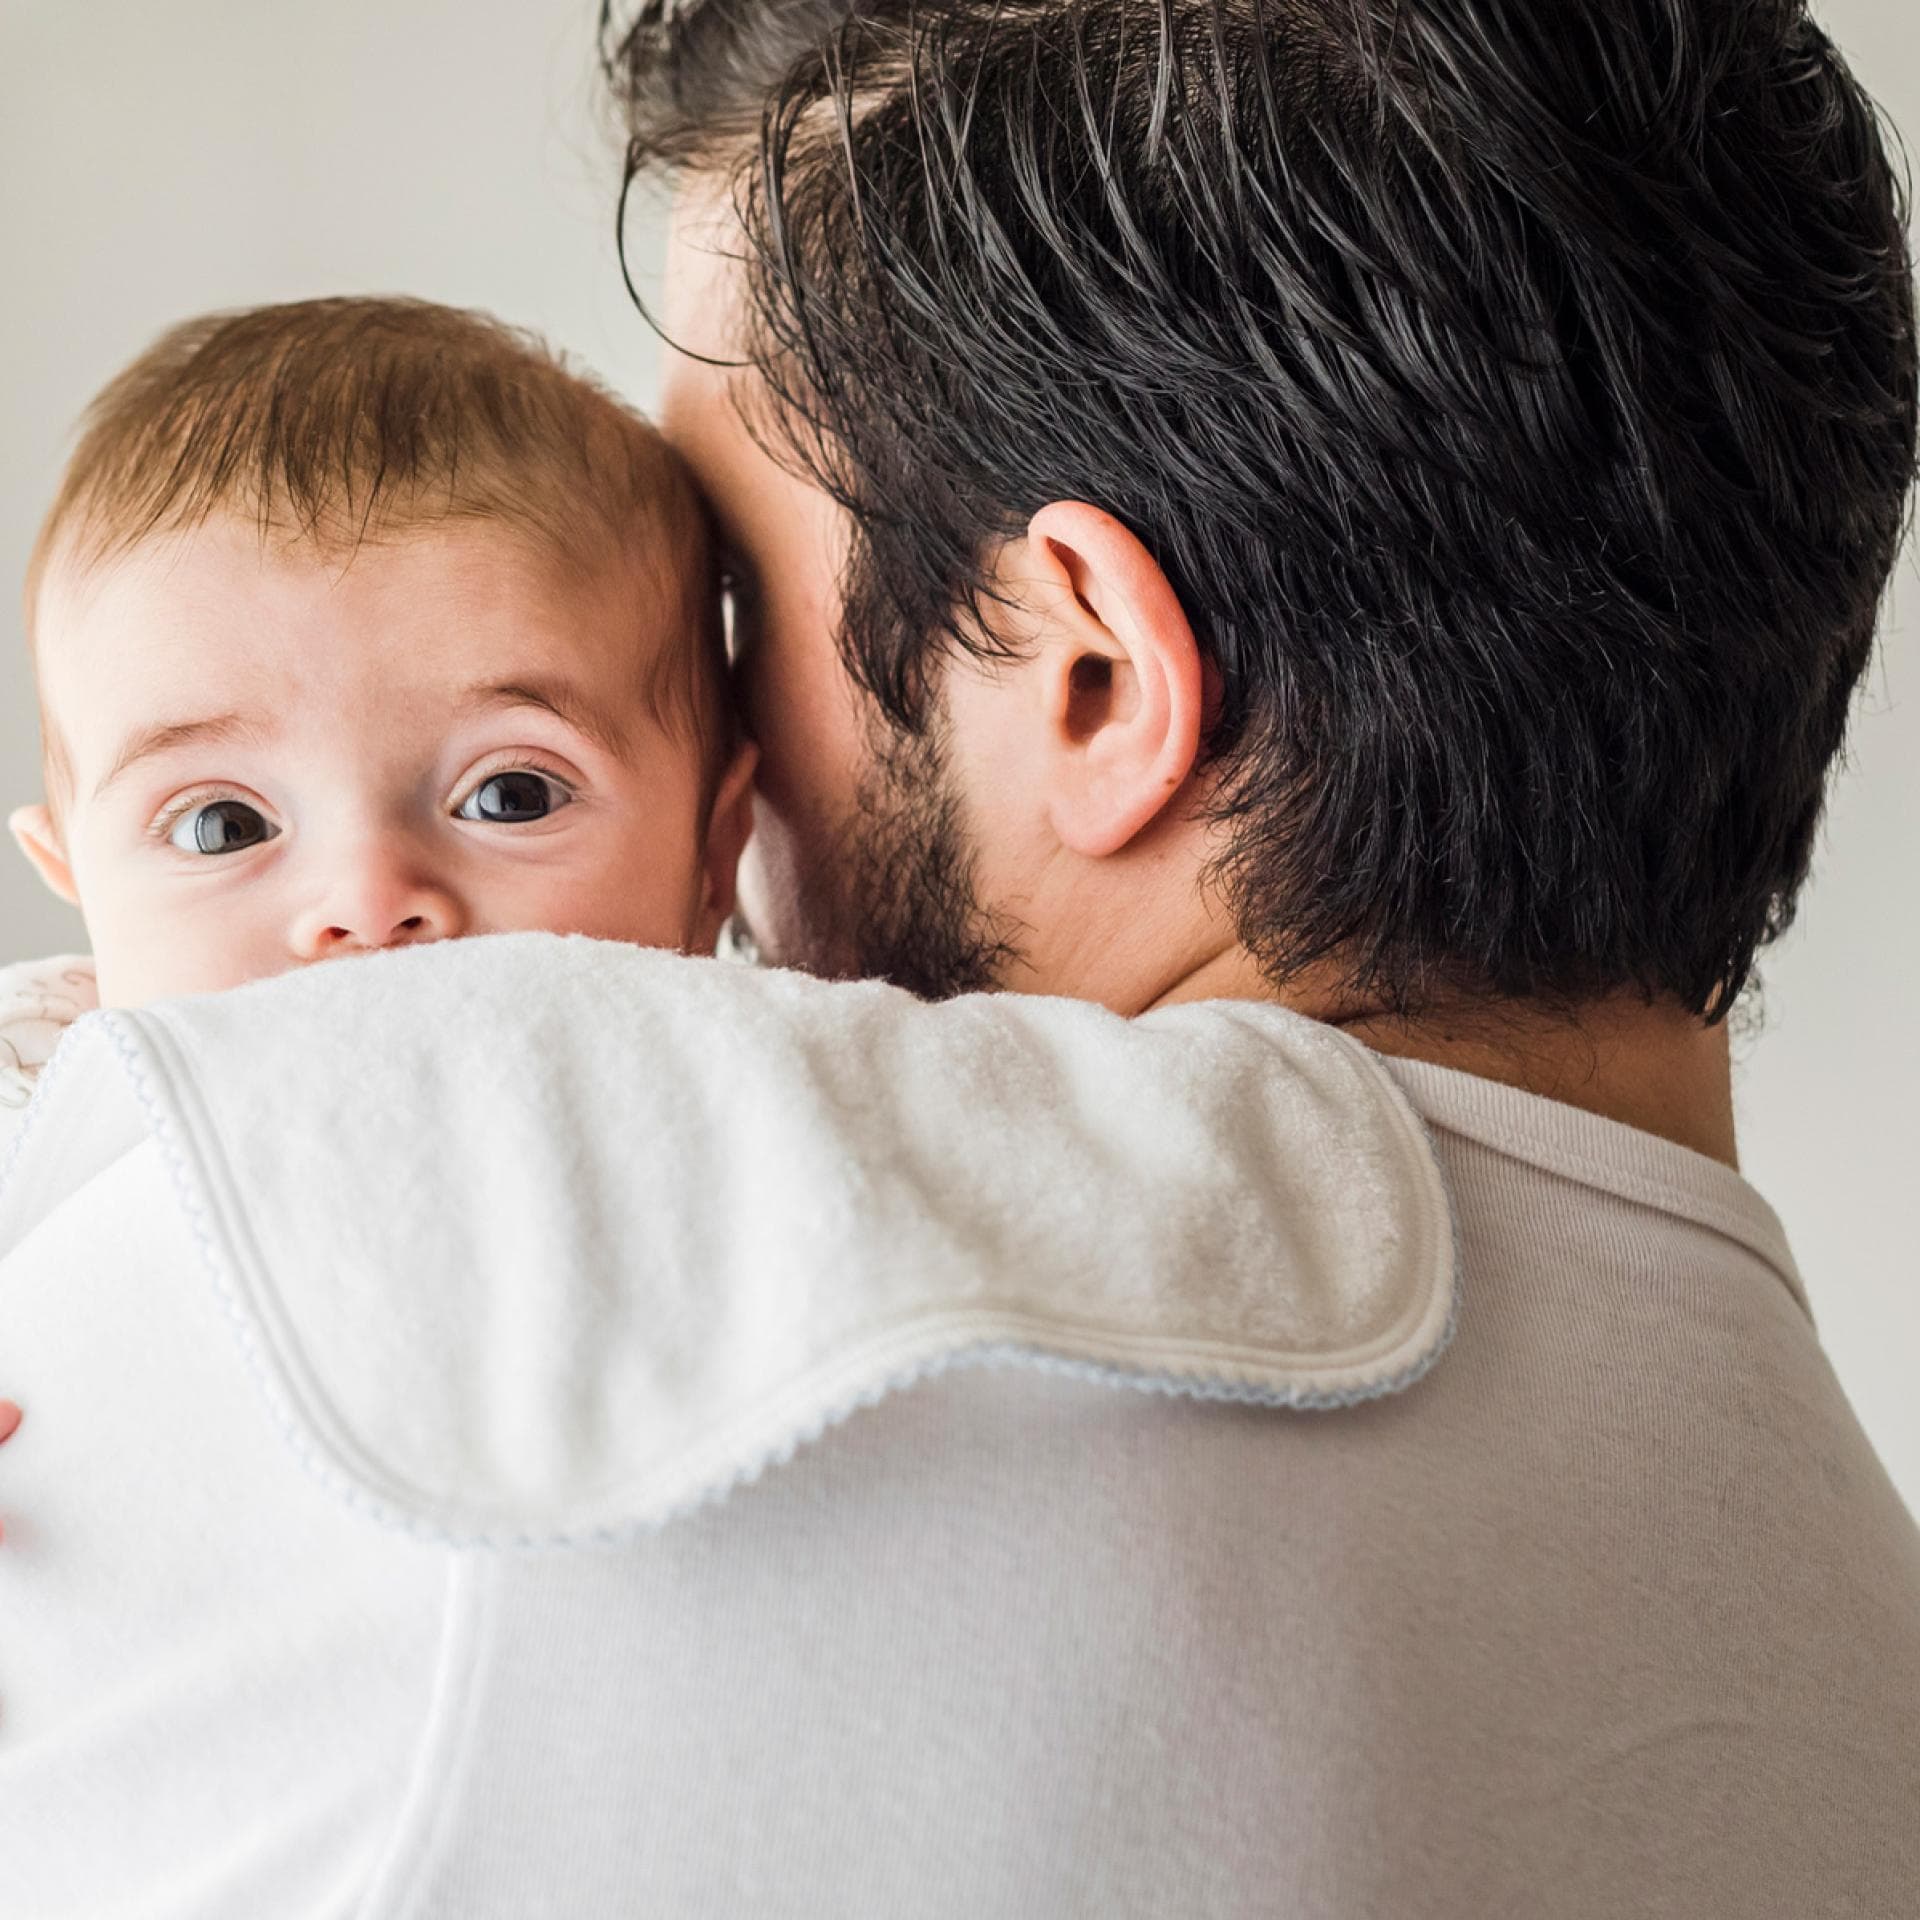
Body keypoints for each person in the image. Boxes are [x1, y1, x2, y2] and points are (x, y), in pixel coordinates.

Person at [4, 0, 1919, 1911]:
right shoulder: (1858, 1665)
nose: (724, 775)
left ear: (1087, 675)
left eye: (738, 594)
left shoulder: (444, 1214)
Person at [0, 291, 752, 1114]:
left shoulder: (769, 1100)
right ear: (75, 875)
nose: (368, 903)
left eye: (511, 797)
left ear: (712, 855)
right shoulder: (38, 1111)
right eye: (223, 825)